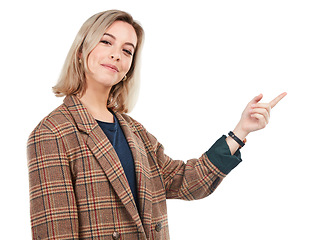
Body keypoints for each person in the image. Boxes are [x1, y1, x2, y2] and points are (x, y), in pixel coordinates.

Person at [27, 9, 286, 240]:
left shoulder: (135, 131)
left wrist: (240, 131)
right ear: (82, 51)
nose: (116, 55)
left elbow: (185, 182)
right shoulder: (52, 133)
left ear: (129, 67)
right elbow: (55, 232)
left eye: (127, 50)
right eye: (106, 41)